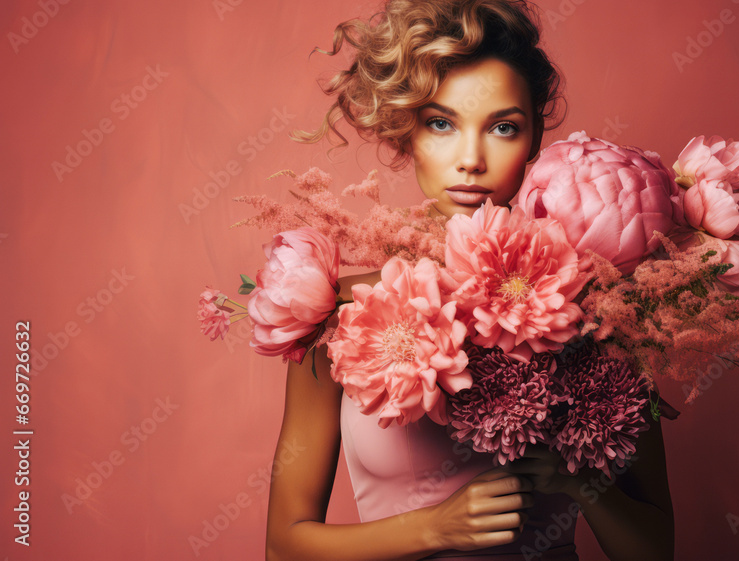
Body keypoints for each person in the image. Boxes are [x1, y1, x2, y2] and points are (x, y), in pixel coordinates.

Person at [264, 1, 675, 560]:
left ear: (534, 141)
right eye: (441, 123)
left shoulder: (600, 310)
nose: (471, 159)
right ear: (408, 132)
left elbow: (655, 551)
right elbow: (284, 546)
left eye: (503, 128)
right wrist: (435, 528)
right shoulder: (338, 311)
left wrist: (579, 481)